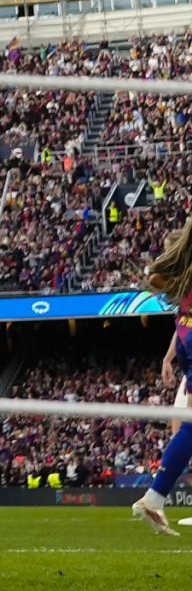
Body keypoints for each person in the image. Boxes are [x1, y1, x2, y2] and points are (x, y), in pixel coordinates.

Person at [131, 220, 192, 536]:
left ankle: (154, 497)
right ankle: (154, 498)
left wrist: (169, 358)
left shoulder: (181, 283)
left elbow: (152, 277)